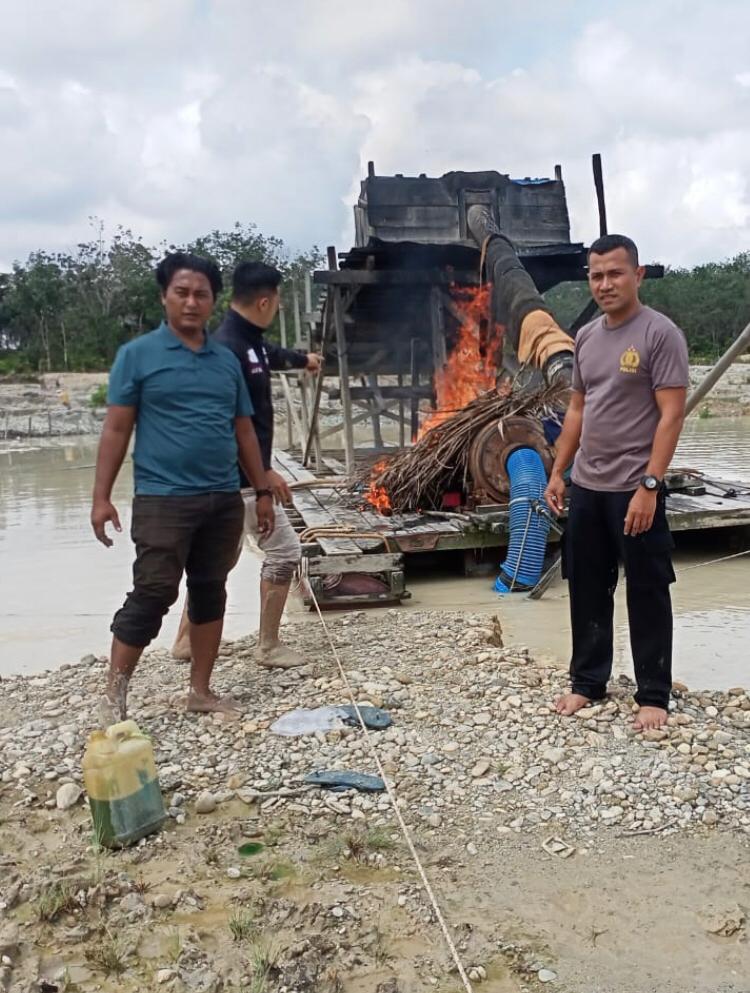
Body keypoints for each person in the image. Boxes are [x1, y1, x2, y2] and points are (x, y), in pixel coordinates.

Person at [91, 252, 274, 720]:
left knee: (211, 590)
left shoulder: (225, 361)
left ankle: (201, 691)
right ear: (164, 296)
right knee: (153, 591)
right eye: (182, 292)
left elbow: (243, 431)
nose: (191, 302)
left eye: (201, 294)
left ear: (214, 301)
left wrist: (262, 492)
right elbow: (116, 429)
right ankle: (114, 696)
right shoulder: (137, 356)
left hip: (223, 497)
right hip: (163, 499)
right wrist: (101, 497)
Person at [544, 234, 689, 731]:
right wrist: (558, 471)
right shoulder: (586, 337)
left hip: (634, 487)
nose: (604, 284)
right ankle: (587, 682)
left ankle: (653, 694)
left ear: (638, 275)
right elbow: (578, 409)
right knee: (586, 586)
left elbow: (672, 415)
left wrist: (650, 485)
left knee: (647, 589)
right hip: (588, 484)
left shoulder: (660, 334)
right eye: (596, 275)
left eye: (615, 273)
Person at [171, 261, 321, 669]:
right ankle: (268, 646)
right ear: (265, 302)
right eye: (278, 301)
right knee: (285, 550)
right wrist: (263, 477)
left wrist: (303, 359)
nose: (279, 308)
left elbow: (271, 355)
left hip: (233, 479)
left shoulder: (247, 341)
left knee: (217, 561)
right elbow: (225, 424)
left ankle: (185, 641)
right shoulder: (226, 350)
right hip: (236, 479)